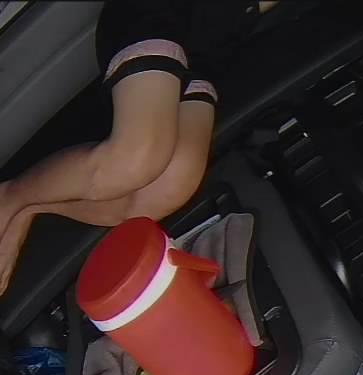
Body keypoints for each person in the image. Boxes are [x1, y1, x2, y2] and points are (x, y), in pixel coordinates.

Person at [0, 0, 280, 294]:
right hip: (166, 12)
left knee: (160, 195)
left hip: (214, 42)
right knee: (135, 160)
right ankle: (10, 197)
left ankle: (29, 203)